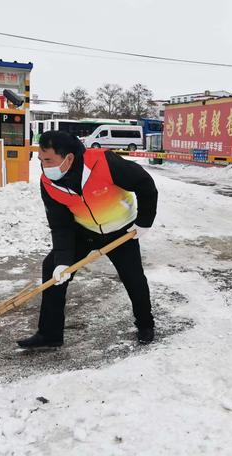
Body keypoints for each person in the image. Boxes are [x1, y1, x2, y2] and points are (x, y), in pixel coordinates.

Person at [17, 130, 158, 348]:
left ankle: (145, 324)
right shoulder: (48, 183)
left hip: (121, 230)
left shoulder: (104, 162)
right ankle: (50, 334)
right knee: (52, 269)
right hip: (83, 231)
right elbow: (61, 225)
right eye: (40, 160)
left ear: (68, 157)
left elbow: (144, 183)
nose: (44, 166)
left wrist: (144, 221)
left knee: (133, 277)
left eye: (48, 160)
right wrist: (63, 260)